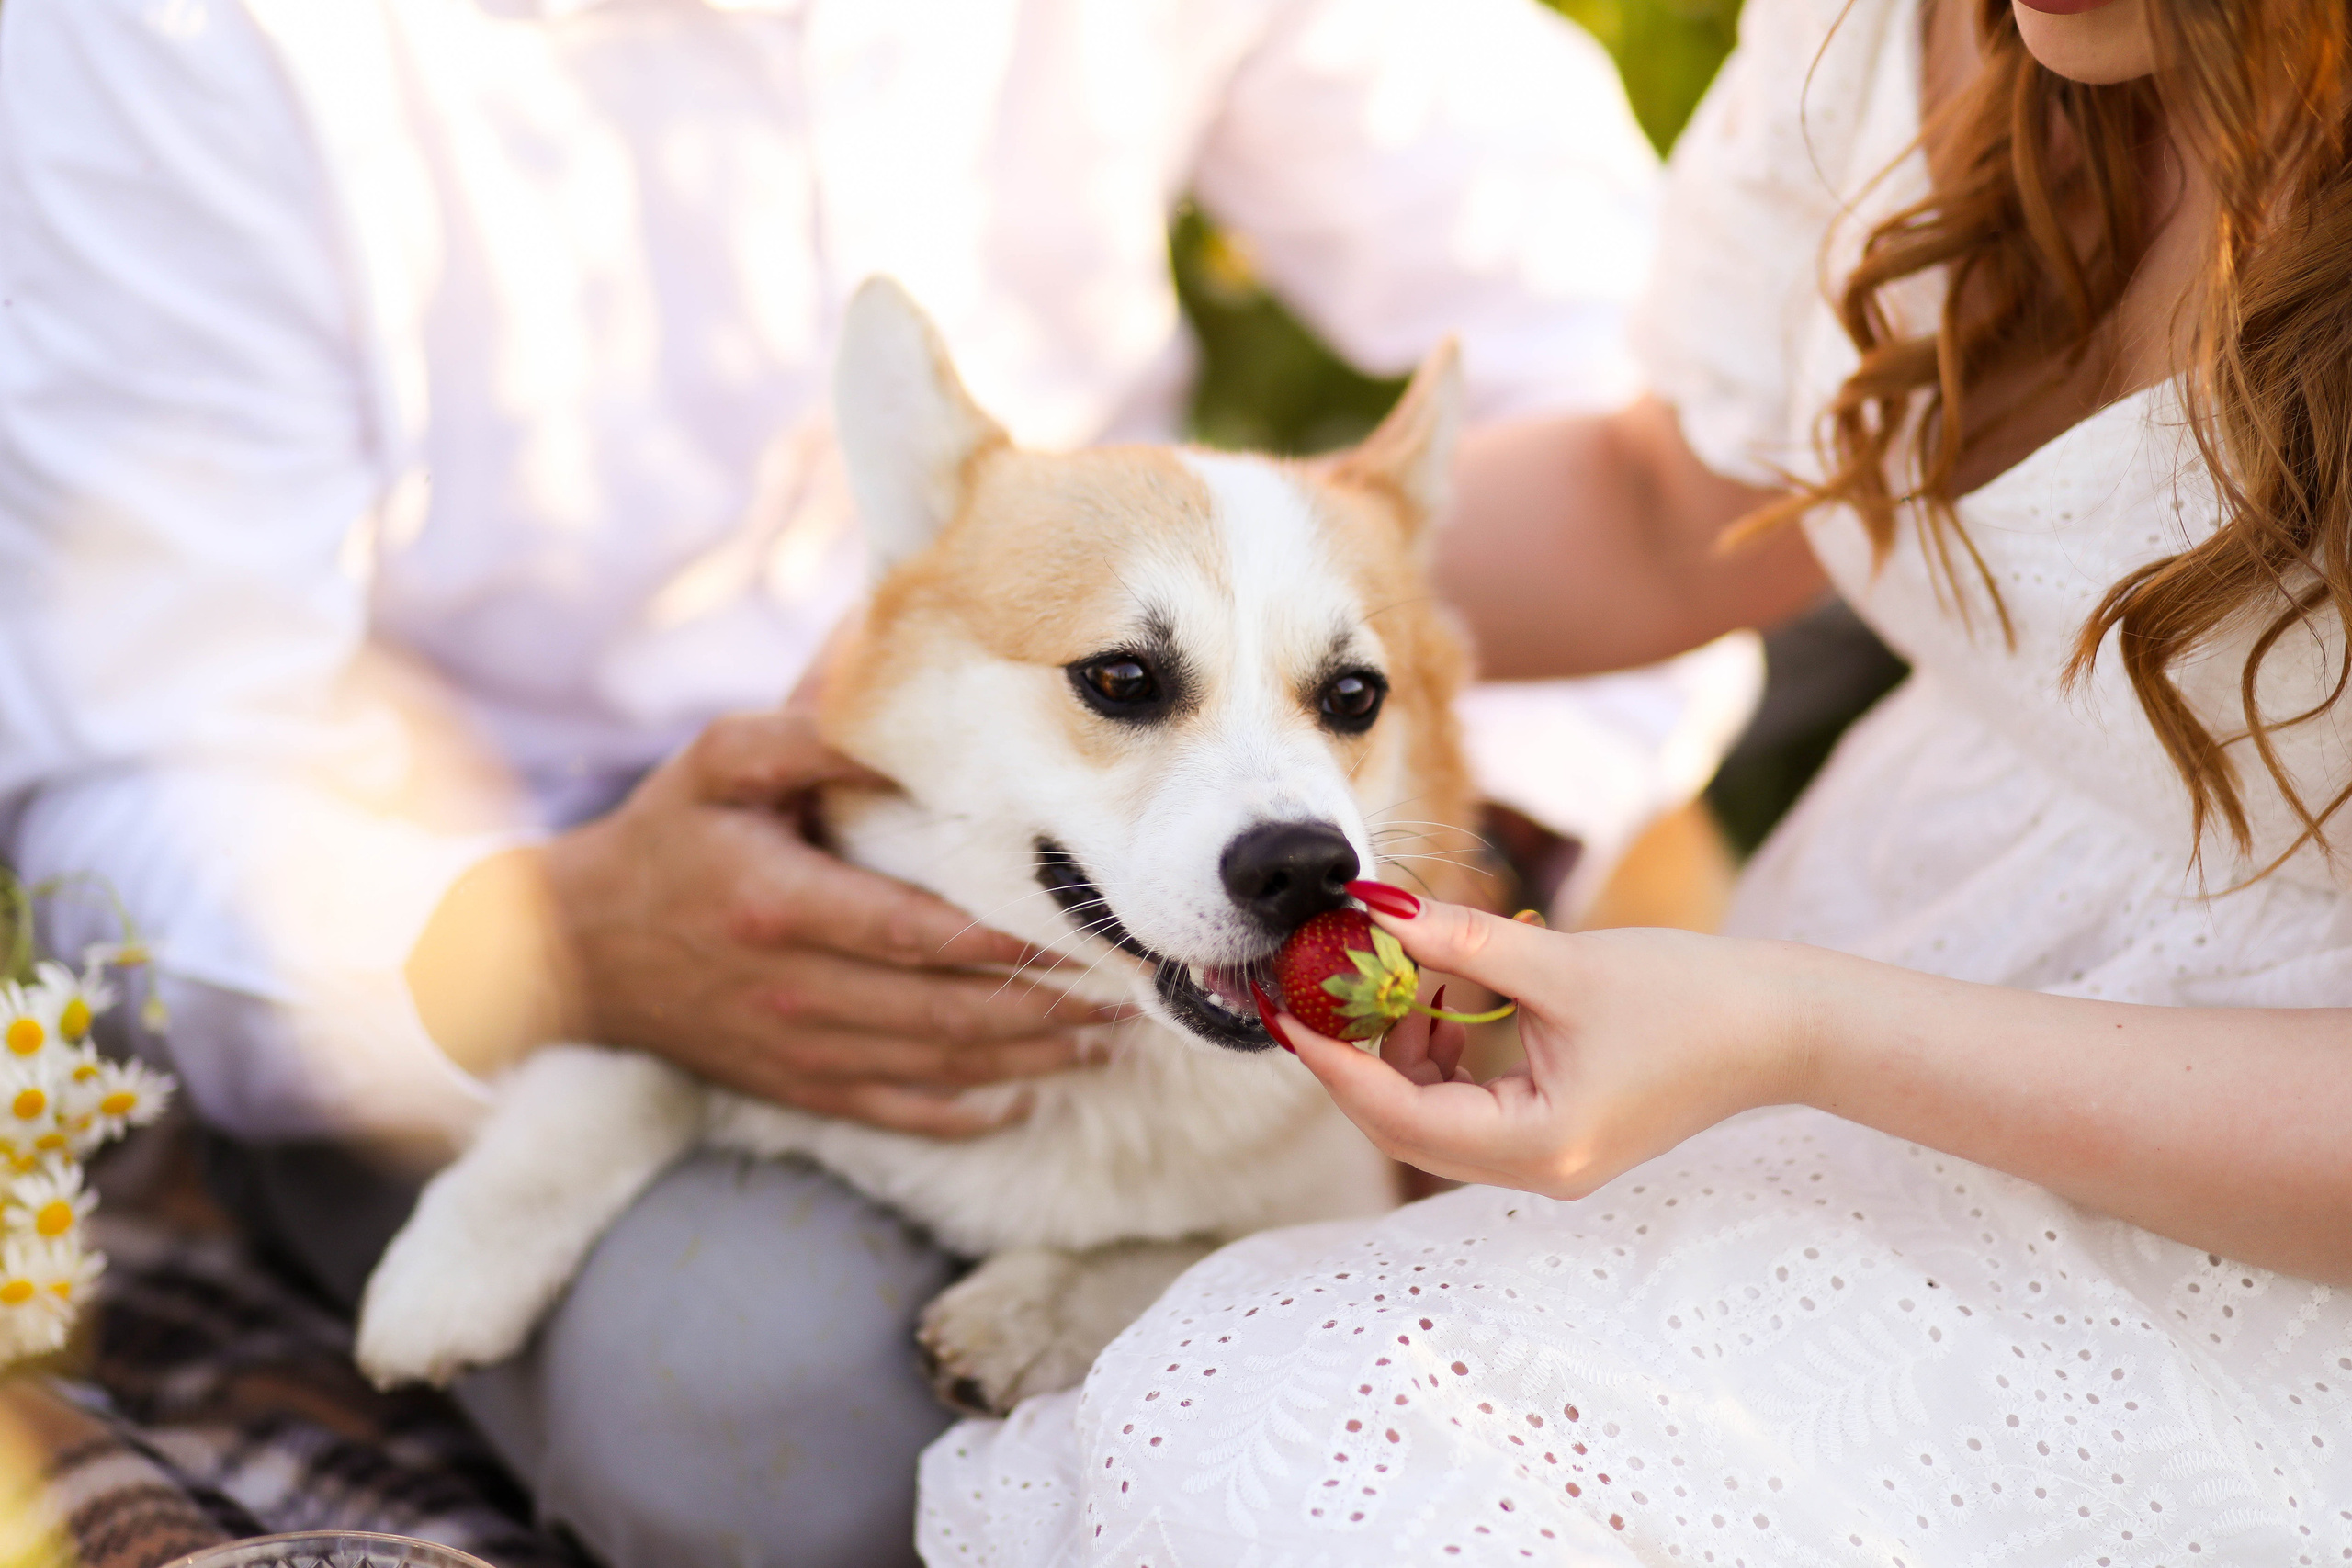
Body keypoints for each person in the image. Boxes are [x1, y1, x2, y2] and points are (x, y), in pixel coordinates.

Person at [0, 1, 1759, 1563]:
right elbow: (138, 772)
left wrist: (1459, 838)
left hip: (1150, 846)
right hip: (477, 881)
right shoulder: (184, 40)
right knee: (772, 1423)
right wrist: (545, 945)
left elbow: (1650, 390)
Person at [918, 0, 2352, 1561]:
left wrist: (1791, 1030)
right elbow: (1674, 508)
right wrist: (1009, 605)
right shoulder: (1903, 37)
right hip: (1906, 931)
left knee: (1323, 1463)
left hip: (2252, 1189)